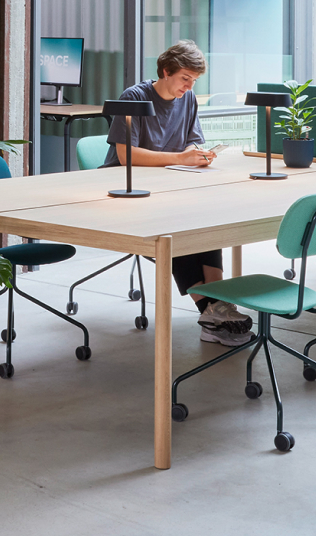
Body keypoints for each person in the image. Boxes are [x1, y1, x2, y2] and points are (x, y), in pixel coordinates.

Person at [101, 40, 247, 345]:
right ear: (166, 71)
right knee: (175, 228)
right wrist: (181, 158)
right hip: (129, 190)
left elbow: (191, 141)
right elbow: (127, 156)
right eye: (184, 78)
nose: (189, 86)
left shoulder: (189, 98)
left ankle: (216, 308)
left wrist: (198, 155)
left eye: (194, 81)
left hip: (170, 183)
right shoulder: (135, 97)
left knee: (206, 219)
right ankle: (213, 310)